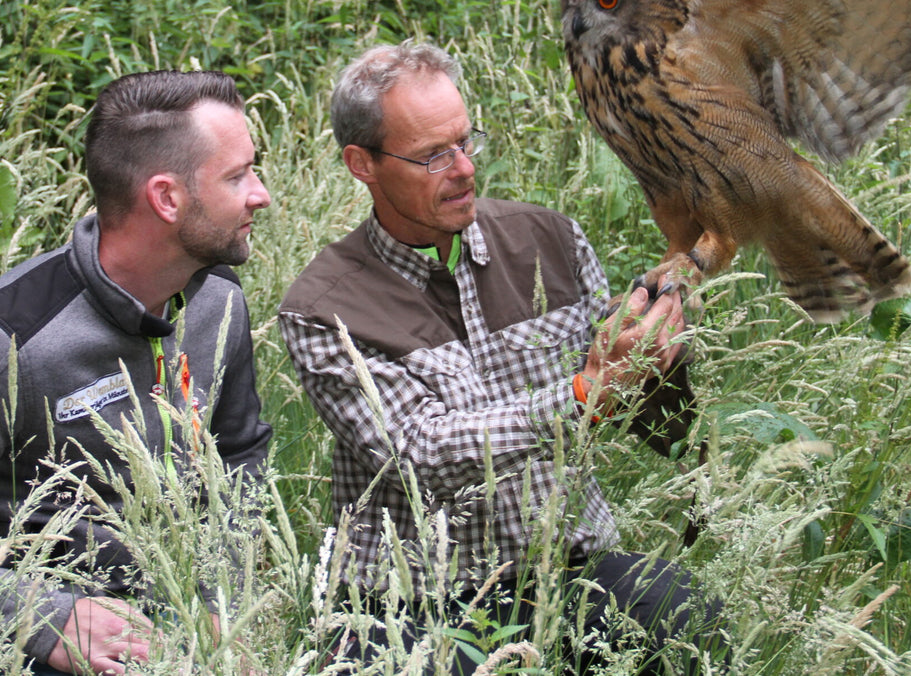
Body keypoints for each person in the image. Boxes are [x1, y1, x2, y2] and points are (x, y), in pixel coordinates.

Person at [277, 43, 728, 674]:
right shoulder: (324, 308)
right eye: (434, 155)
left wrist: (655, 352)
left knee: (690, 622)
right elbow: (423, 456)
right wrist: (582, 392)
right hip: (418, 598)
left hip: (568, 568)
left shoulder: (550, 241)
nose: (463, 169)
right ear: (363, 164)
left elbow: (648, 427)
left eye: (466, 142)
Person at [0, 71, 274, 675]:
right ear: (167, 197)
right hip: (3, 641)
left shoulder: (218, 301)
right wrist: (40, 614)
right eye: (237, 175)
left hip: (161, 628)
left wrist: (223, 602)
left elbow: (238, 451)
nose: (261, 194)